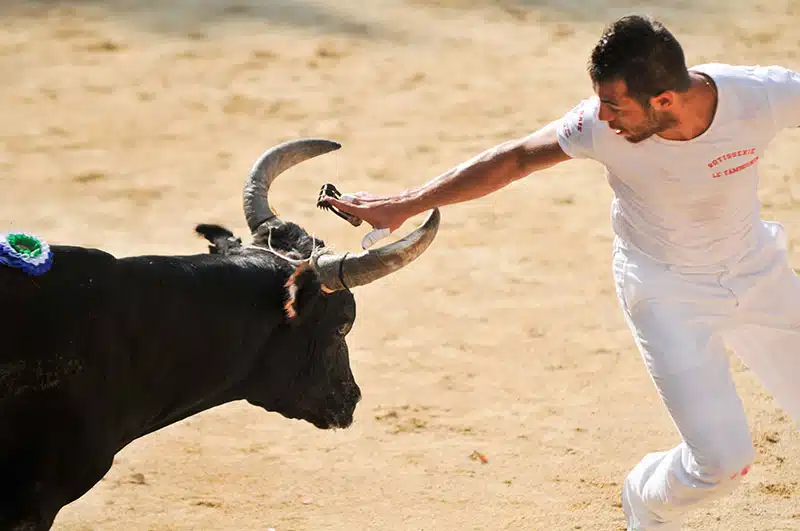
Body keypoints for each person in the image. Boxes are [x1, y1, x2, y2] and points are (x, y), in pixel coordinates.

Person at [323, 13, 800, 531]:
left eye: (615, 106)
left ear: (664, 100)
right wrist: (405, 203)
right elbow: (517, 158)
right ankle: (647, 499)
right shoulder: (598, 127)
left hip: (759, 274)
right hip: (667, 292)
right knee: (723, 464)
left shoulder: (758, 96)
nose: (603, 117)